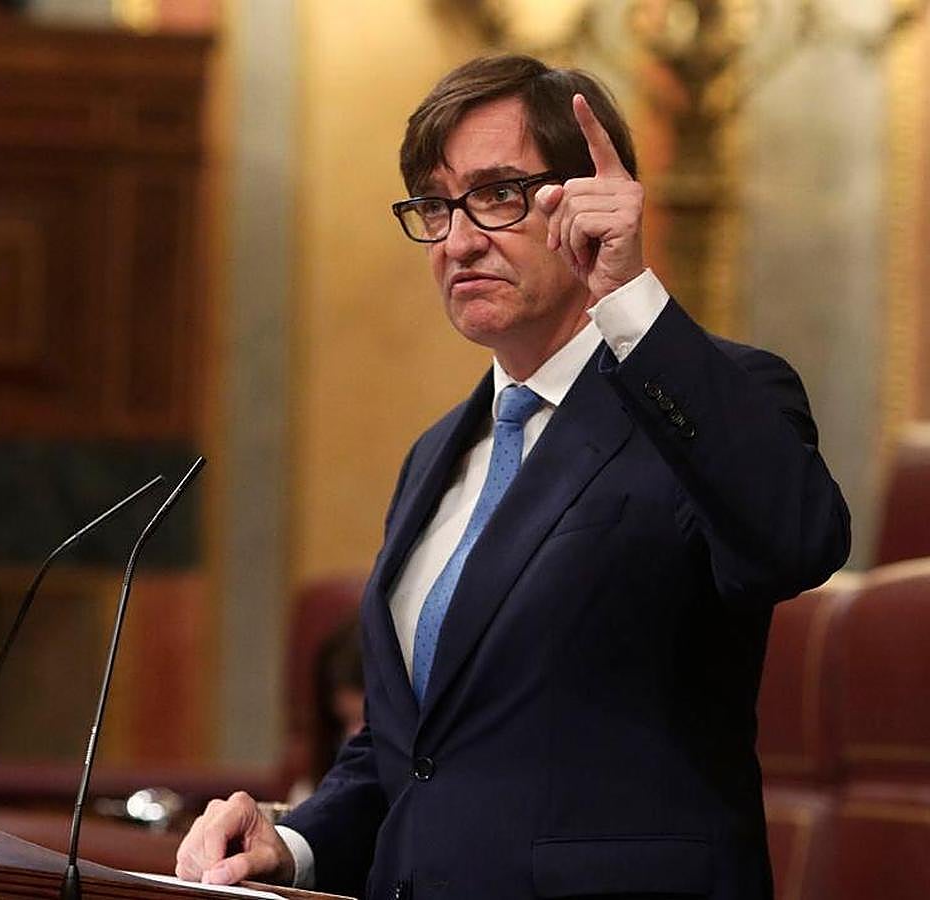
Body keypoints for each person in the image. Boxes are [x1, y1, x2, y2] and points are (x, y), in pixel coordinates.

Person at [176, 54, 850, 900]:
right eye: (434, 206)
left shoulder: (711, 394)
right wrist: (292, 843)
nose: (458, 241)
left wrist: (630, 297)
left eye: (496, 195)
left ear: (586, 200)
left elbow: (795, 541)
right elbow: (415, 753)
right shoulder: (436, 454)